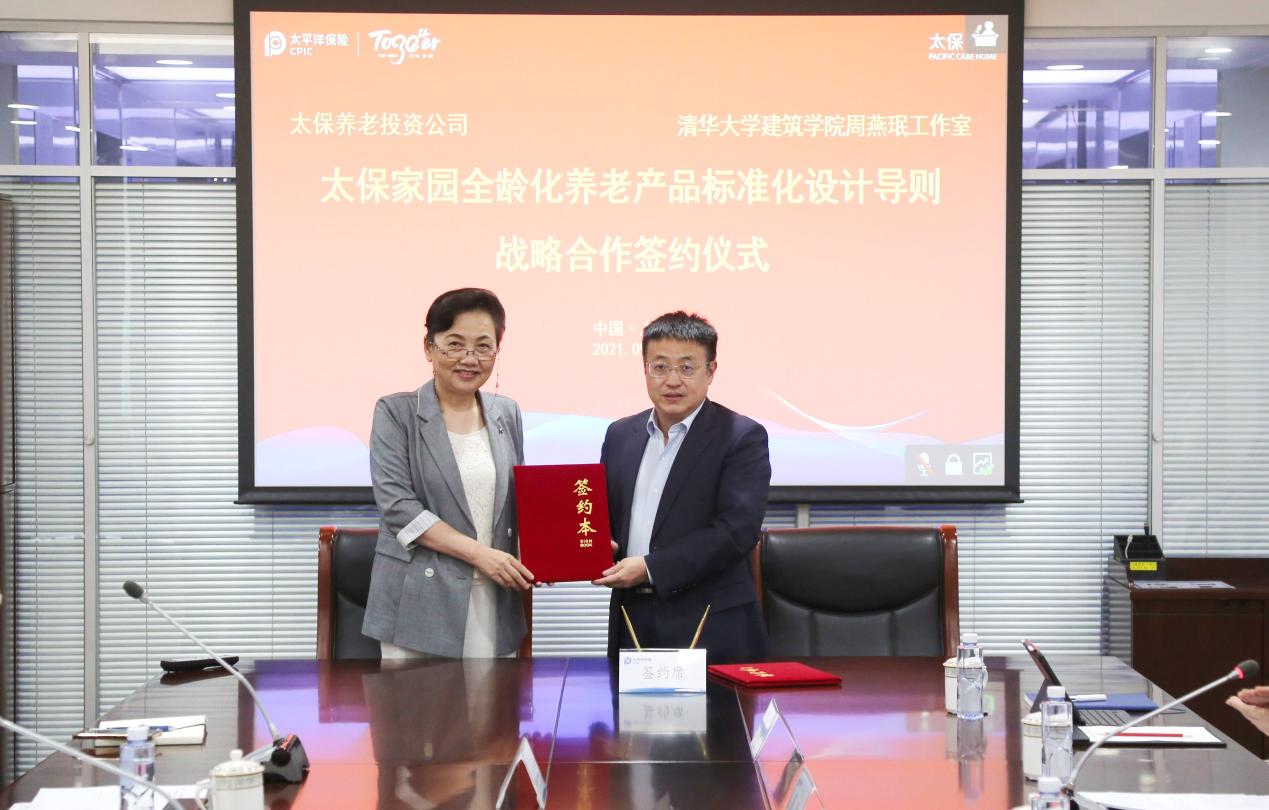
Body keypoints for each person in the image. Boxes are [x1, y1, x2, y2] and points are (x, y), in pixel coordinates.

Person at [362, 288, 534, 659]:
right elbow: (398, 508)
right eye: (455, 344)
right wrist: (480, 555)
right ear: (429, 347)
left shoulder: (507, 413)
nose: (469, 358)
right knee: (418, 700)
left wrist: (563, 549)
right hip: (417, 604)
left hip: (495, 601)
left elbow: (520, 501)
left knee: (495, 699)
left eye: (483, 346)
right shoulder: (396, 413)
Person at [593, 311, 771, 663]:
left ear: (711, 371)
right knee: (626, 703)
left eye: (687, 368)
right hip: (632, 616)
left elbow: (736, 530)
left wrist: (651, 567)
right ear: (645, 369)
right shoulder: (620, 435)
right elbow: (605, 519)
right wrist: (583, 550)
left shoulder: (740, 436)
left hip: (710, 621)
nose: (672, 380)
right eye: (660, 367)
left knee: (713, 704)